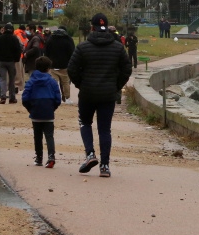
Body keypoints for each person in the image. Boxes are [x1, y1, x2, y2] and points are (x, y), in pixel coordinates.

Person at [68, 13, 132, 178]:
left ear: (92, 28)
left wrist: (80, 84)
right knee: (104, 129)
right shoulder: (118, 48)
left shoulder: (83, 47)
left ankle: (90, 153)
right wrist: (116, 86)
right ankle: (105, 165)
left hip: (87, 92)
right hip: (108, 94)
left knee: (85, 123)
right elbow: (127, 69)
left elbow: (72, 69)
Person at [22, 55, 62, 168]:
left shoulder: (31, 81)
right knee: (49, 135)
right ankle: (51, 156)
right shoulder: (52, 81)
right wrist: (53, 107)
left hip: (35, 109)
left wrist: (30, 108)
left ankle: (39, 157)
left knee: (37, 135)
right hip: (48, 109)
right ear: (48, 68)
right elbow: (58, 98)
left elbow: (25, 97)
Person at [44, 25, 76, 102]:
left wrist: (48, 62)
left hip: (53, 65)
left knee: (54, 83)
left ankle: (54, 97)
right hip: (64, 65)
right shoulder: (68, 39)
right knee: (65, 83)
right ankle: (67, 98)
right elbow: (72, 52)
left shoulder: (51, 39)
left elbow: (46, 52)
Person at [0, 23, 22, 104]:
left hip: (1, 61)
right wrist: (16, 59)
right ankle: (12, 97)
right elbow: (18, 50)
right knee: (12, 80)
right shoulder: (14, 39)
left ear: (4, 29)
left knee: (3, 79)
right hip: (11, 61)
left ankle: (3, 96)